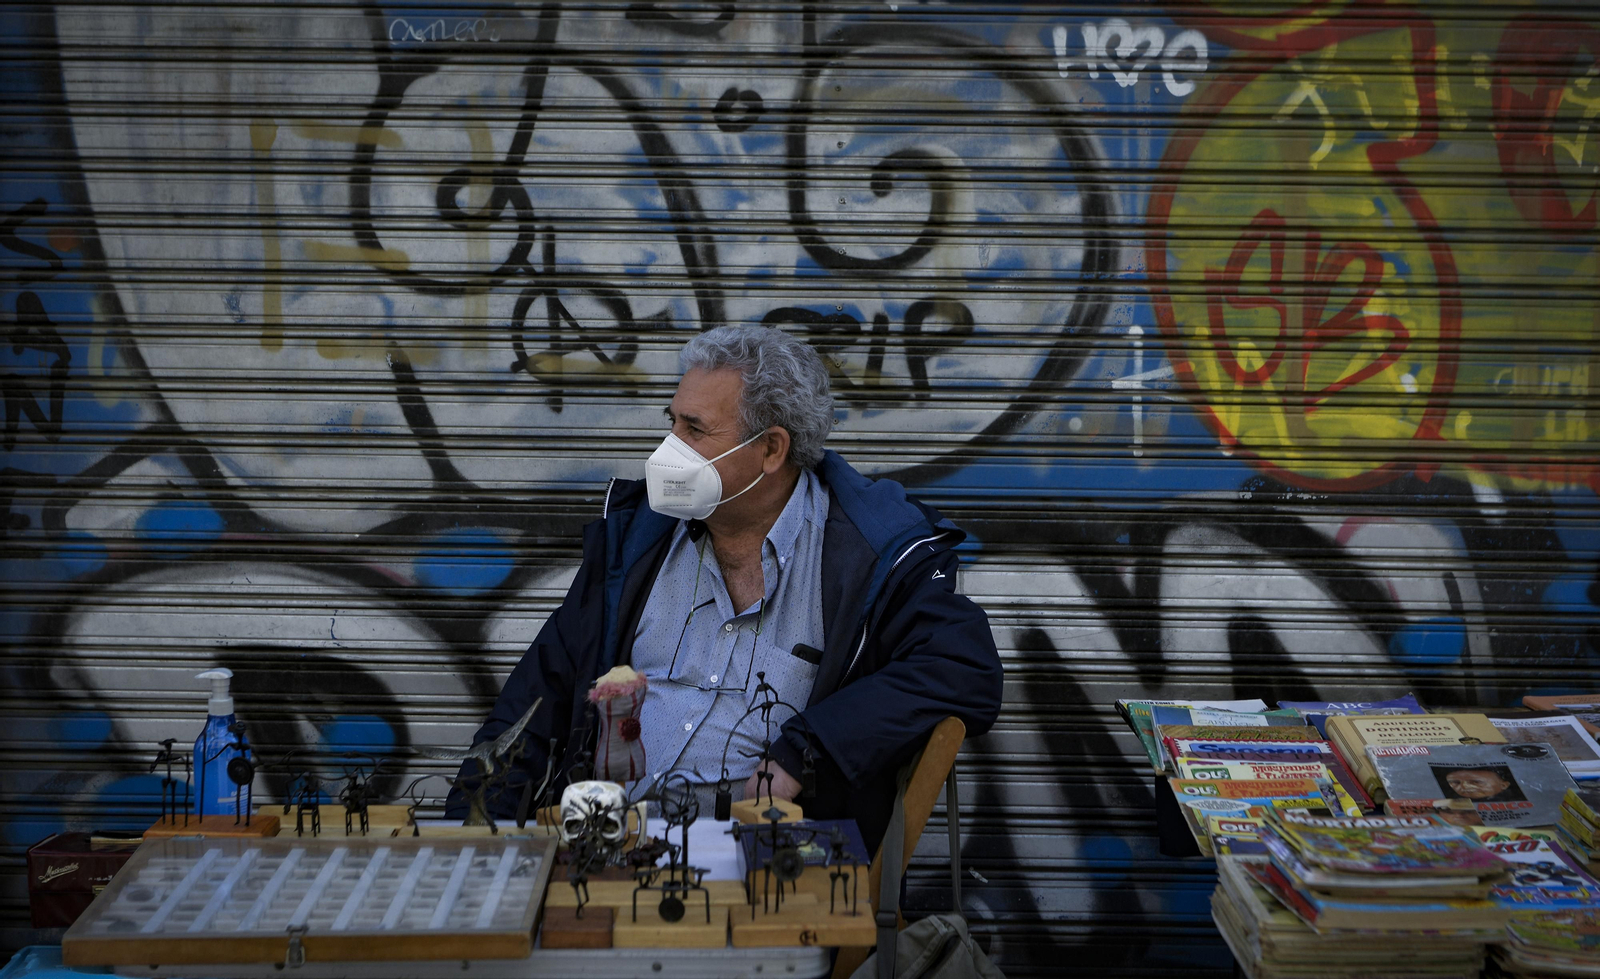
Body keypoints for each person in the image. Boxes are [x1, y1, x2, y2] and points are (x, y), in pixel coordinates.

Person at [446, 326, 1003, 851]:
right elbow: (530, 705)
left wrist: (808, 749)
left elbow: (964, 670)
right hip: (608, 851)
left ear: (771, 450)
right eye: (672, 424)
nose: (669, 449)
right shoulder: (635, 543)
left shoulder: (870, 553)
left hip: (768, 871)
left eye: (695, 430)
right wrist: (472, 840)